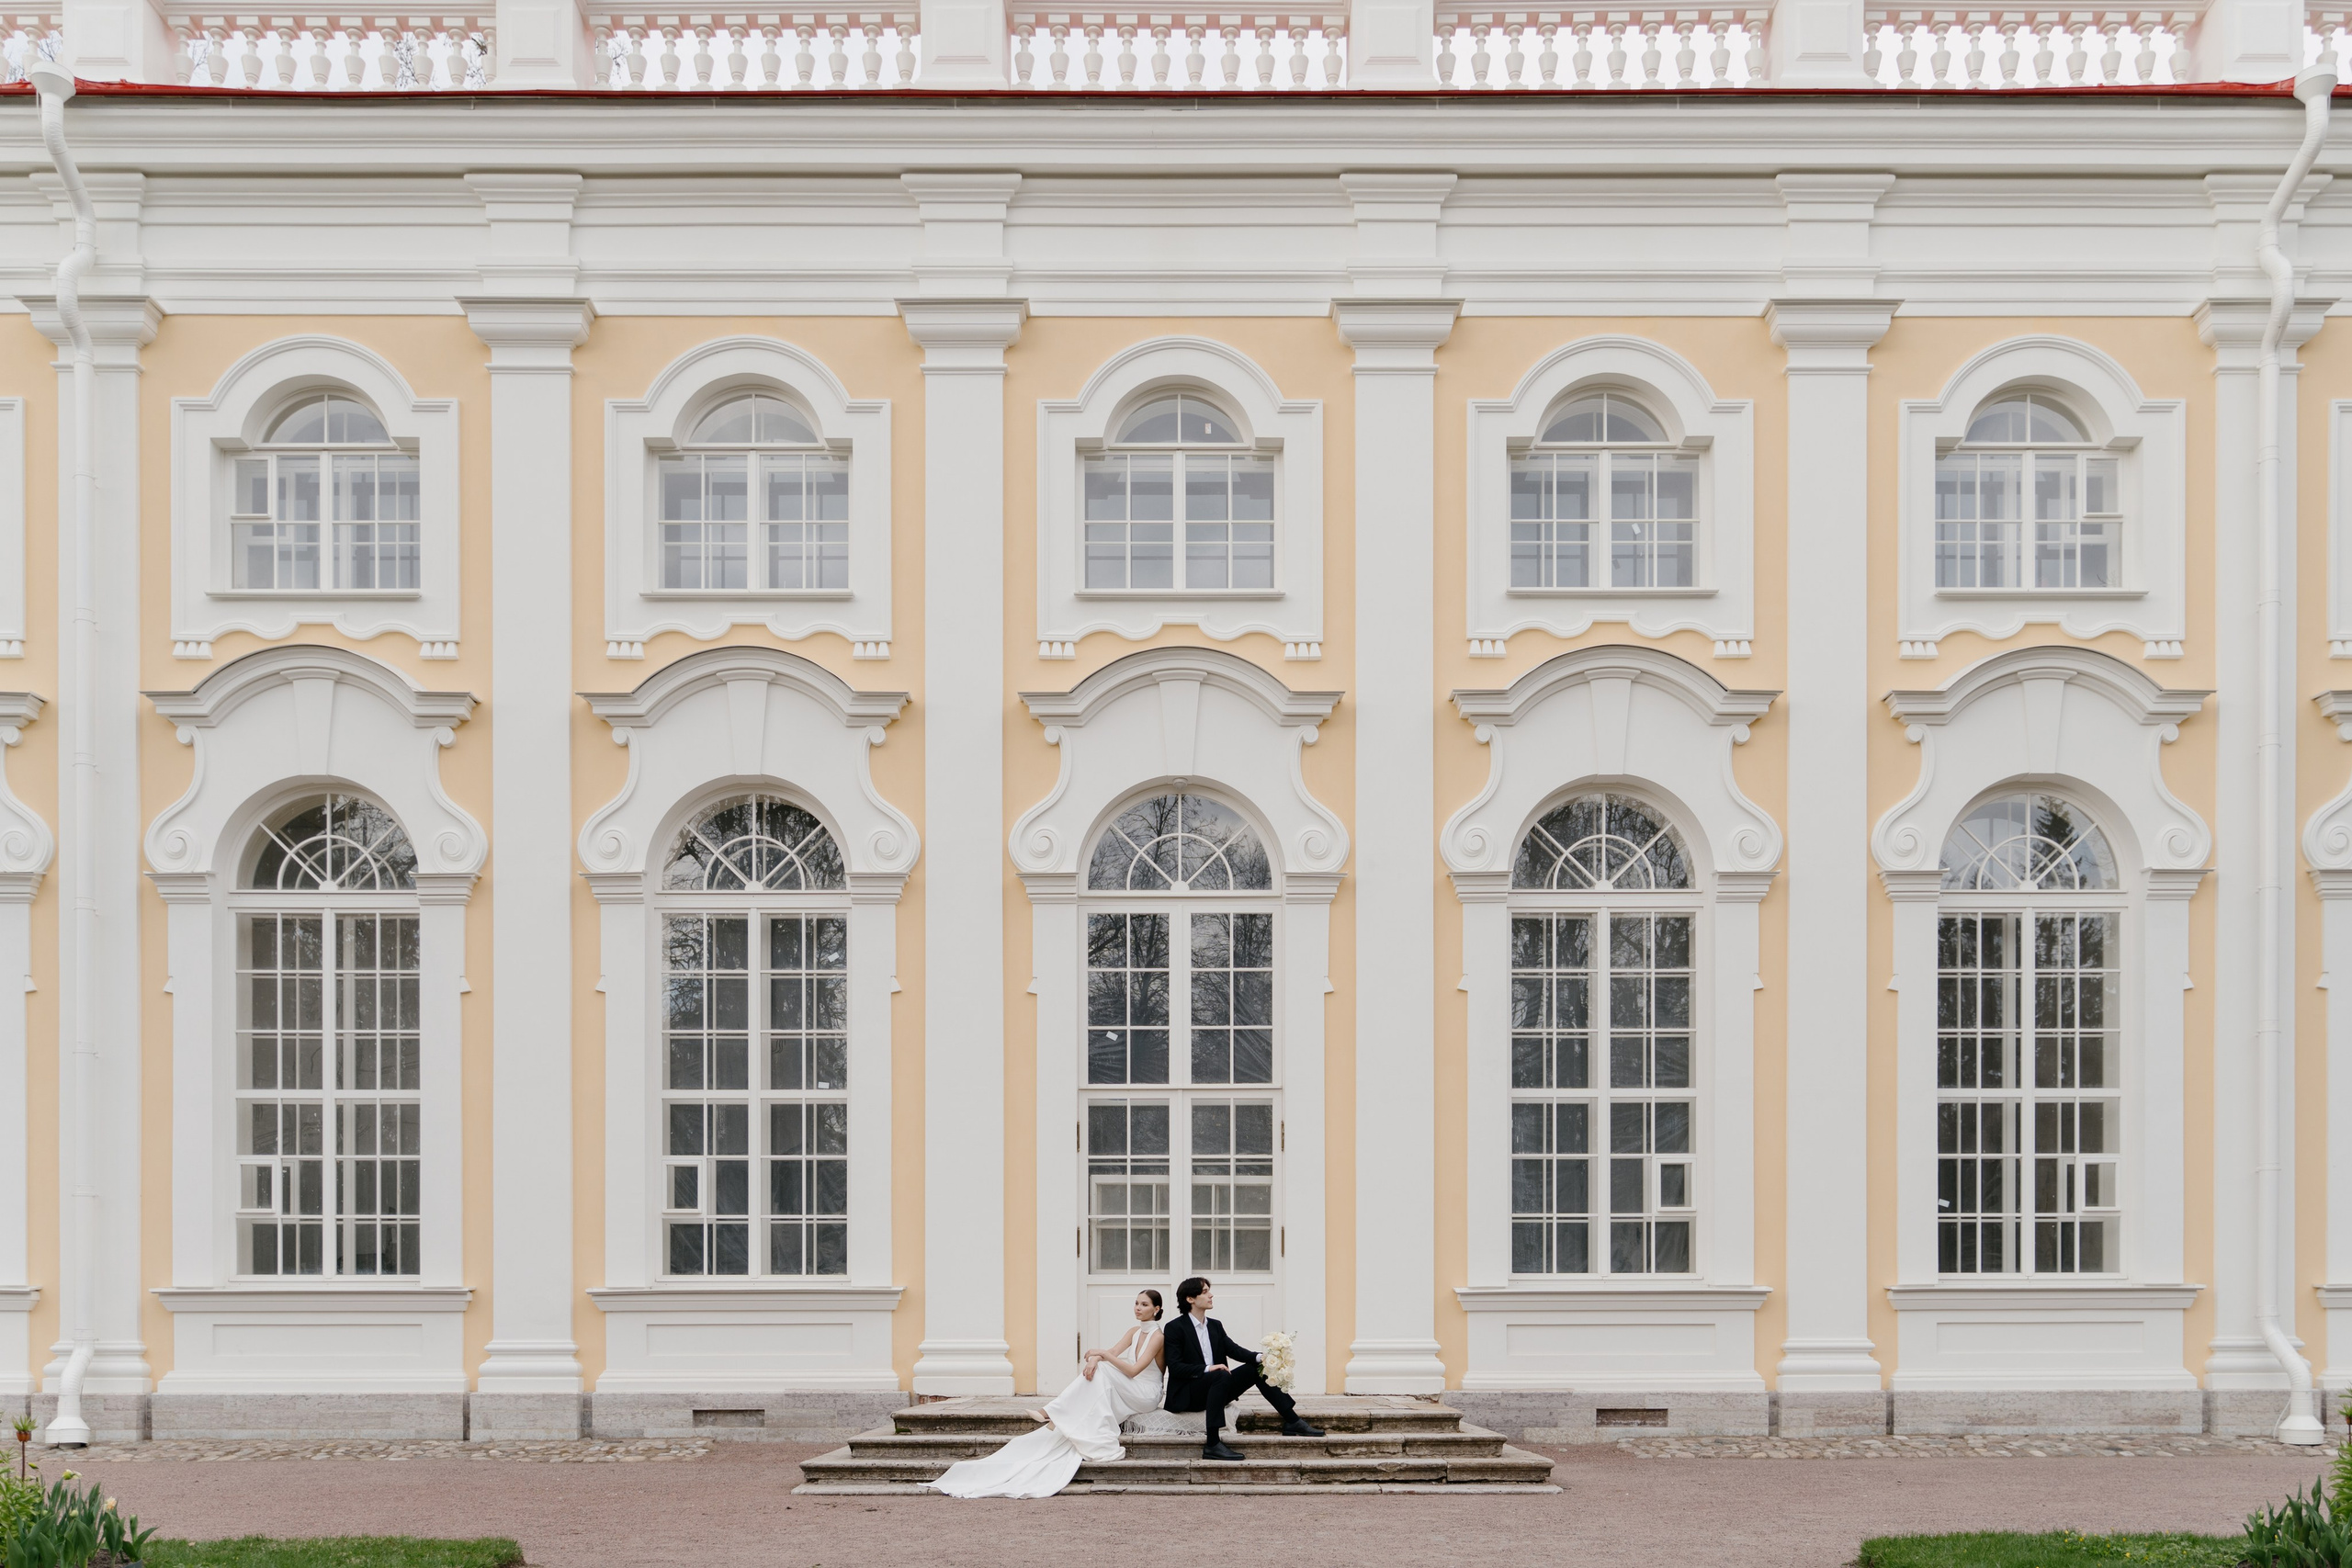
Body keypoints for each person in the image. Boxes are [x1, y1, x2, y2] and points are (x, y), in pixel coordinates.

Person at [929, 1289, 1169, 1498]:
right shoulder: (1133, 1331)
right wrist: (1096, 1357)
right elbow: (1114, 1350)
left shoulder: (1158, 1336)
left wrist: (1101, 1356)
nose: (1138, 1308)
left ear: (1156, 1309)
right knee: (1100, 1372)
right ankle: (1056, 1413)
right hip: (1130, 1384)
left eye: (1144, 1304)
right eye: (1136, 1303)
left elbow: (1134, 1369)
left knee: (1104, 1370)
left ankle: (1053, 1412)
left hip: (1146, 1392)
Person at [1159, 1275, 1324, 1461]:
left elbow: (1233, 1349)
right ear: (1190, 1299)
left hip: (1216, 1388)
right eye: (1205, 1292)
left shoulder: (1215, 1325)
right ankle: (1212, 1444)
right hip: (1189, 1394)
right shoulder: (1175, 1327)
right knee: (1220, 1374)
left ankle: (1292, 1420)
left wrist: (1261, 1357)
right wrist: (1209, 1368)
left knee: (1256, 1368)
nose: (1211, 1295)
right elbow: (1175, 1367)